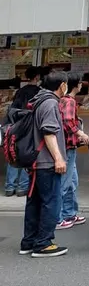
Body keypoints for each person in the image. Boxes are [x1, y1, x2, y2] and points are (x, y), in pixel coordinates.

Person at [19, 71, 68, 258]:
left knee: (35, 202)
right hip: (46, 162)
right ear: (62, 85)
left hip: (37, 162)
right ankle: (44, 243)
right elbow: (48, 132)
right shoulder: (50, 103)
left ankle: (29, 242)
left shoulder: (38, 100)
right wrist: (58, 158)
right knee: (51, 202)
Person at [56, 73, 89, 230]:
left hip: (68, 146)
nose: (82, 85)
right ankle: (58, 218)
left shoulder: (63, 100)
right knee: (64, 183)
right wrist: (81, 134)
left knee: (71, 182)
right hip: (68, 147)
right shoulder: (69, 101)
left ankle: (69, 213)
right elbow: (68, 122)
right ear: (76, 85)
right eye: (80, 83)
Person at [5, 67, 41, 197]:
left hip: (16, 126)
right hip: (30, 128)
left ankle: (9, 186)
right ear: (37, 77)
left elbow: (13, 109)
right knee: (27, 155)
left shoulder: (20, 91)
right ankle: (22, 187)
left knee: (13, 154)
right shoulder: (39, 92)